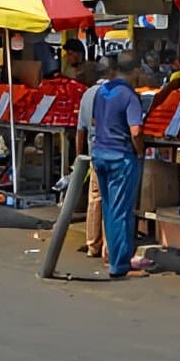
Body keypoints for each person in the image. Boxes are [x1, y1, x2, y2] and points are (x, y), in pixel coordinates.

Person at [90, 50, 153, 277]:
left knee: (109, 209)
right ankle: (119, 265)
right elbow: (136, 131)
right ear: (135, 71)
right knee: (121, 211)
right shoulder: (129, 96)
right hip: (121, 157)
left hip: (100, 153)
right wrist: (140, 151)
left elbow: (95, 121)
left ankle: (117, 256)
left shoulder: (102, 92)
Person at [74, 56, 112, 260]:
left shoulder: (87, 95)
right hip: (112, 151)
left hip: (94, 151)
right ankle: (108, 246)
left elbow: (80, 130)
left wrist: (80, 157)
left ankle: (92, 244)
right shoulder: (114, 94)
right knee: (110, 199)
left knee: (95, 198)